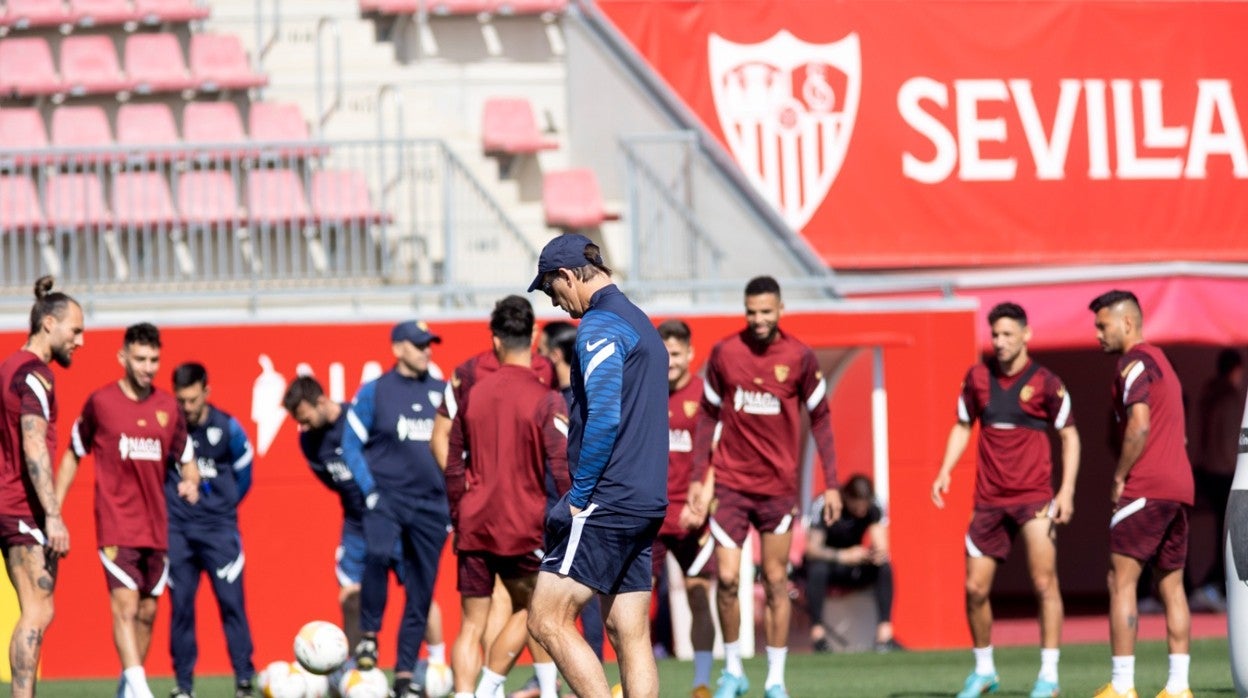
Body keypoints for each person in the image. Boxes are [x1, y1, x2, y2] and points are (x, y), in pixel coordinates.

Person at [524, 233, 668, 698]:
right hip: (645, 499)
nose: (556, 303)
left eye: (551, 290)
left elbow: (604, 417)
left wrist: (579, 497)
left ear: (567, 276)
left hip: (607, 498)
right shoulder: (641, 322)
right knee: (629, 631)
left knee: (546, 618)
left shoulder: (600, 325)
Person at [692, 275, 840, 698]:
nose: (758, 320)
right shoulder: (724, 353)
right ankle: (733, 671)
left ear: (780, 310)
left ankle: (775, 679)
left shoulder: (799, 357)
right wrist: (698, 480)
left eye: (766, 312)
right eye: (751, 312)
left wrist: (831, 484)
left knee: (775, 580)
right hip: (732, 486)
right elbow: (706, 416)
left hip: (777, 488)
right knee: (726, 578)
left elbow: (823, 418)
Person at [930, 301, 1080, 698]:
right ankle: (984, 671)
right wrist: (945, 469)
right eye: (995, 334)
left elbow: (1070, 436)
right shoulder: (977, 378)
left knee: (1044, 582)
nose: (999, 341)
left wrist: (1065, 492)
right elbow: (963, 426)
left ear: (1026, 335)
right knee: (975, 589)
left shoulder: (1047, 383)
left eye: (1008, 334)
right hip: (988, 501)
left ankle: (1049, 675)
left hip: (1034, 499)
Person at [55, 323, 200, 698]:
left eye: (153, 359)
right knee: (125, 605)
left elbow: (187, 459)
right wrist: (53, 508)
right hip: (117, 524)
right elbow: (74, 452)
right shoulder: (101, 403)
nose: (148, 367)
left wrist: (191, 481)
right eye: (140, 358)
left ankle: (127, 687)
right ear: (122, 358)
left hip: (156, 527)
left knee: (148, 613)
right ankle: (141, 689)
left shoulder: (169, 407)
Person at [446, 297, 571, 698]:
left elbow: (453, 466)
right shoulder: (545, 397)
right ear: (533, 337)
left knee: (470, 625)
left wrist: (457, 517)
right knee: (536, 612)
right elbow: (562, 468)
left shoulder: (473, 394)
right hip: (522, 524)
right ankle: (503, 690)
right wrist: (570, 520)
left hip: (475, 522)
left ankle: (470, 694)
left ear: (495, 341)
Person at [1089, 290, 1195, 698]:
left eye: (1103, 325)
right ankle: (1179, 687)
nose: (1097, 333)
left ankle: (1121, 686)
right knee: (1172, 586)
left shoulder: (1132, 362)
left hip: (1146, 487)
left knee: (1121, 581)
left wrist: (1119, 476)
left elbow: (1140, 425)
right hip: (1179, 488)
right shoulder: (1164, 362)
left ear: (1127, 323)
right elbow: (1179, 432)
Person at [342, 320, 450, 698]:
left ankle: (404, 675)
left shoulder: (442, 391)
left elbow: (459, 450)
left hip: (432, 507)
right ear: (398, 348)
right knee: (377, 553)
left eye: (429, 345)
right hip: (387, 498)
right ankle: (369, 636)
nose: (427, 351)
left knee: (420, 592)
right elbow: (350, 444)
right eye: (419, 345)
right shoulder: (376, 392)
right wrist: (369, 490)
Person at [0, 277, 83, 698]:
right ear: (49, 323)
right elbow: (32, 441)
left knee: (34, 611)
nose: (80, 341)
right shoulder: (35, 376)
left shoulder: (9, 366)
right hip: (22, 507)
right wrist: (52, 513)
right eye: (76, 330)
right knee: (37, 611)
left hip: (7, 502)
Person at [168, 362, 257, 698]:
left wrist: (225, 503)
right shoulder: (170, 426)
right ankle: (184, 685)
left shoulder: (227, 427)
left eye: (192, 400)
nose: (187, 408)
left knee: (232, 604)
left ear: (206, 391)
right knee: (181, 608)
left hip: (219, 531)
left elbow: (245, 468)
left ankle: (245, 681)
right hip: (178, 530)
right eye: (181, 401)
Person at [654, 319, 716, 698]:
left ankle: (702, 681)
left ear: (691, 354)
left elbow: (716, 455)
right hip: (652, 514)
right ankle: (639, 685)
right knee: (636, 599)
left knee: (698, 593)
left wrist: (703, 502)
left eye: (676, 354)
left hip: (693, 517)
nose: (670, 361)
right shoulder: (645, 393)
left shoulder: (705, 397)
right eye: (664, 354)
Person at [803, 475, 898, 653]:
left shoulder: (875, 505)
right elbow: (812, 550)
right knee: (817, 569)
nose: (861, 510)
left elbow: (881, 544)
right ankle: (818, 635)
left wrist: (874, 554)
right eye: (857, 505)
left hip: (855, 566)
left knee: (884, 567)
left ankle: (884, 635)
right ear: (847, 498)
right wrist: (843, 555)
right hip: (830, 564)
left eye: (865, 506)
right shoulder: (825, 504)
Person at [1189, 348, 1244, 612]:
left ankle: (1210, 585)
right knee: (1230, 535)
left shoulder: (1209, 394)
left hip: (1209, 470)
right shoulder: (1229, 397)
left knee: (1223, 534)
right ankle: (1213, 585)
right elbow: (1230, 441)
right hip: (1224, 474)